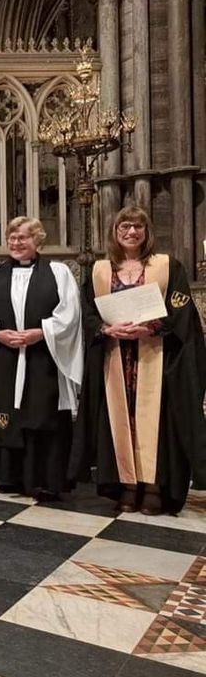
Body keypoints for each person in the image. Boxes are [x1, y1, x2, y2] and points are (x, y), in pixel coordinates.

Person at [70, 206, 206, 515]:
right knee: (121, 420)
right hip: (115, 358)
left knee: (155, 422)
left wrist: (153, 327)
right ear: (115, 232)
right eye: (125, 227)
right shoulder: (100, 270)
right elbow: (89, 314)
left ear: (146, 232)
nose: (131, 232)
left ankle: (154, 486)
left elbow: (181, 310)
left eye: (137, 227)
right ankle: (127, 485)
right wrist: (107, 328)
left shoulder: (168, 266)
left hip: (155, 358)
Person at [0, 217, 84, 501]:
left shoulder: (58, 273)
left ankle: (45, 479)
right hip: (5, 355)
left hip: (43, 356)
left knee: (42, 413)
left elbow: (69, 314)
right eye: (12, 238)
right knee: (7, 412)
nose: (16, 243)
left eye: (23, 238)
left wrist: (40, 333)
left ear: (37, 240)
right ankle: (10, 476)